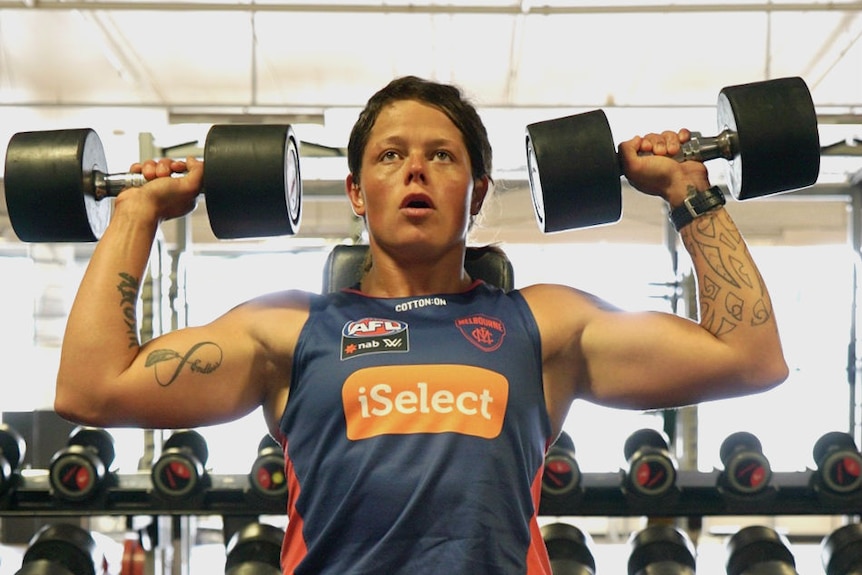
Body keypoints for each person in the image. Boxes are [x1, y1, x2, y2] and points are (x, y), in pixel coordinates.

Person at [54, 75, 788, 574]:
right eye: (390, 155)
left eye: (442, 156)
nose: (415, 171)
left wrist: (691, 193)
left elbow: (750, 357)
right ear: (357, 192)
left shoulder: (544, 324)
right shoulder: (284, 331)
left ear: (473, 195)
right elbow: (92, 388)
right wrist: (136, 214)